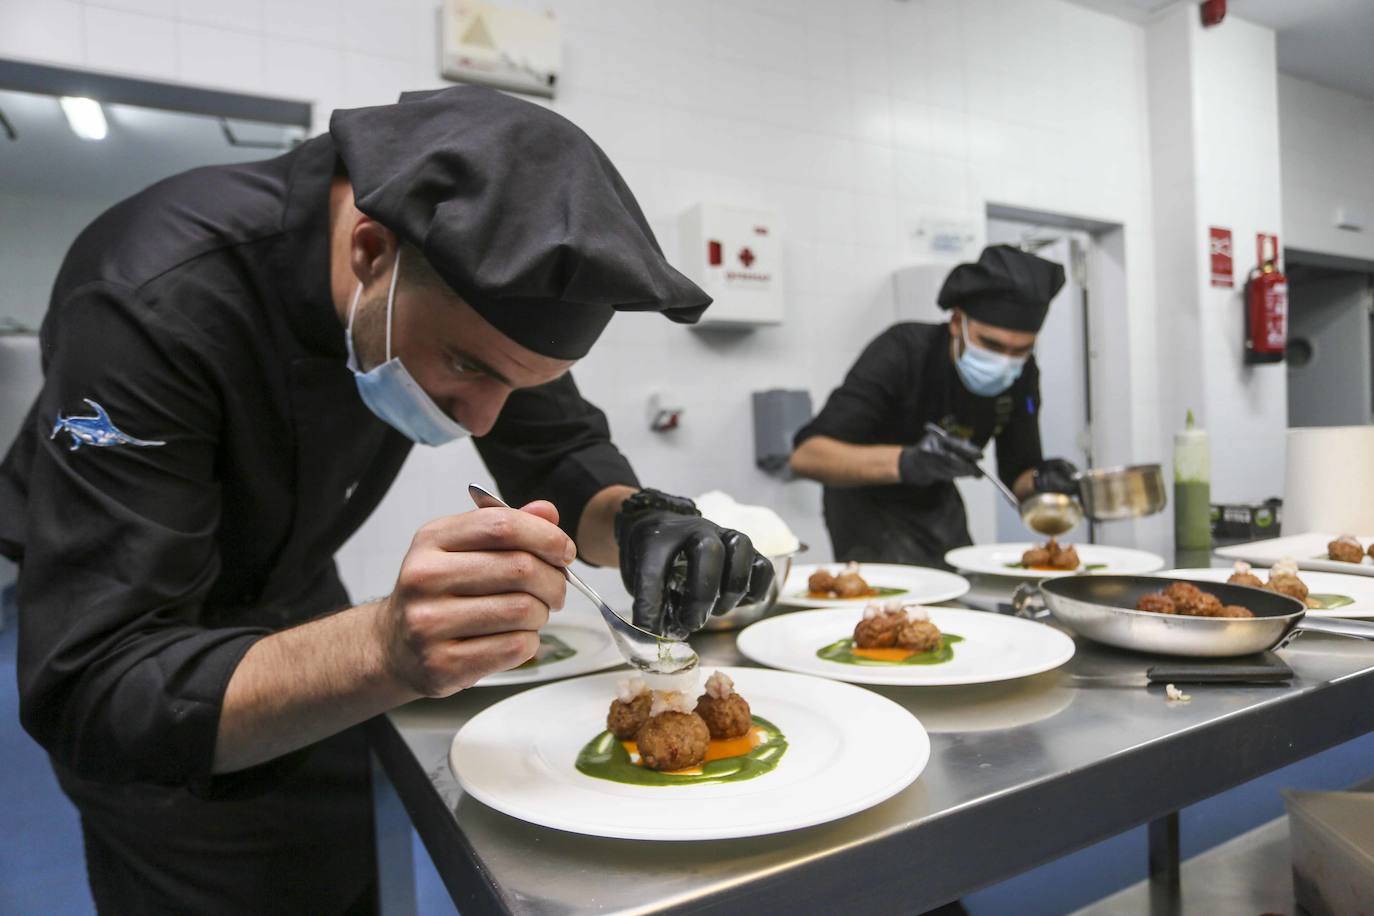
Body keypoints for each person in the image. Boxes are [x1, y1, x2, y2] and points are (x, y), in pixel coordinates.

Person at [0, 86, 772, 914]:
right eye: (469, 368)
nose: (480, 418)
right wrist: (380, 647)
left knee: (336, 867)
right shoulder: (152, 297)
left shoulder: (477, 299)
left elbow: (558, 451)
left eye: (519, 383)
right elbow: (99, 689)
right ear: (372, 250)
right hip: (147, 645)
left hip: (295, 597)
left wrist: (640, 520)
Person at [789, 245, 1079, 567]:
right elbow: (807, 456)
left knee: (962, 588)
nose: (1005, 361)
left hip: (937, 501)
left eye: (1021, 349)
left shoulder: (1021, 374)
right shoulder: (903, 351)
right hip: (867, 504)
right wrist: (909, 462)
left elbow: (1018, 480)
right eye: (991, 344)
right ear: (957, 322)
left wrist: (1043, 483)